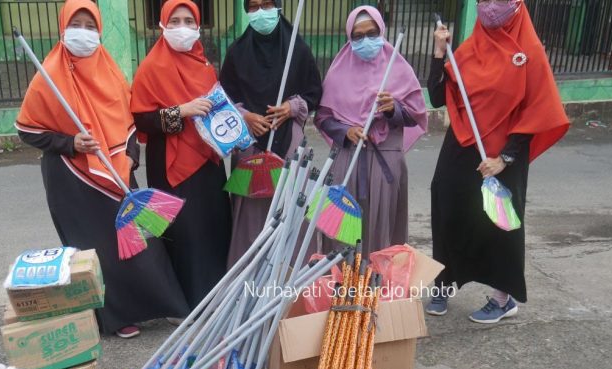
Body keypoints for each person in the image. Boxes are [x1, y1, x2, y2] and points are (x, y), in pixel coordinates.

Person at [15, 0, 190, 338]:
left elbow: (128, 118)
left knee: (142, 242)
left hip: (117, 169)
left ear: (99, 30)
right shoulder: (48, 76)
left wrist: (130, 158)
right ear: (63, 29)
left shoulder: (109, 70)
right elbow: (27, 129)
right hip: (72, 178)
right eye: (76, 25)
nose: (84, 33)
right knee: (98, 249)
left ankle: (167, 304)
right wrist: (69, 143)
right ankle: (116, 317)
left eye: (90, 26)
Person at [426, 0, 569, 323]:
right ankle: (444, 284)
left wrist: (504, 158)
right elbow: (437, 97)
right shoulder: (470, 48)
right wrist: (439, 51)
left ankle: (503, 298)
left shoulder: (529, 51)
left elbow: (539, 109)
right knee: (448, 205)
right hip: (463, 144)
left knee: (499, 223)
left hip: (504, 153)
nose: (490, 6)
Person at [130, 0, 231, 311]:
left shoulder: (205, 66)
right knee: (182, 232)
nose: (182, 27)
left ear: (199, 25)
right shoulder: (151, 66)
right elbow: (142, 120)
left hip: (208, 161)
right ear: (162, 24)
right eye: (175, 20)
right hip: (169, 164)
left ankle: (216, 297)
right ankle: (185, 303)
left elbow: (219, 107)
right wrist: (180, 112)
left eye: (189, 20)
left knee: (212, 226)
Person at [314, 6, 427, 257]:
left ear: (382, 32)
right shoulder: (337, 71)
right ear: (349, 37)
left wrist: (392, 109)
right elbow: (322, 117)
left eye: (372, 33)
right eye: (358, 35)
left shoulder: (399, 70)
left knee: (381, 227)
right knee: (342, 230)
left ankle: (376, 287)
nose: (365, 40)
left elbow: (416, 115)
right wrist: (345, 130)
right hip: (347, 160)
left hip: (385, 162)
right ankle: (344, 287)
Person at [220, 0, 322, 265]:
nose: (260, 12)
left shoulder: (296, 49)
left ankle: (289, 280)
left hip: (288, 146)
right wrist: (245, 116)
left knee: (289, 212)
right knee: (251, 218)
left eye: (266, 4)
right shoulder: (236, 53)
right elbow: (224, 100)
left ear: (278, 7)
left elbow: (314, 92)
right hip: (249, 148)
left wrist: (291, 107)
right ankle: (247, 286)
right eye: (253, 6)